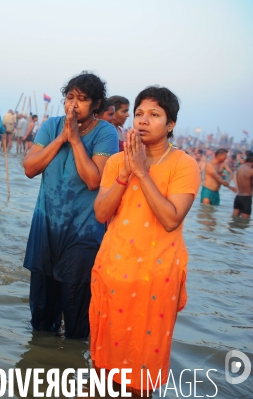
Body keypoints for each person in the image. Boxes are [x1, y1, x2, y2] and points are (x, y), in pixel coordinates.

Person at [90, 86, 201, 393]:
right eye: (139, 113)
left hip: (155, 279)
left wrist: (141, 172)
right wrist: (126, 172)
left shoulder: (184, 164)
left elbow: (170, 219)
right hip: (113, 271)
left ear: (170, 124)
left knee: (142, 372)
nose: (143, 120)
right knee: (103, 367)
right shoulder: (116, 162)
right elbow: (101, 213)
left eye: (154, 115)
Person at [22, 72, 118, 339]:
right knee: (41, 318)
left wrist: (75, 140)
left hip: (83, 233)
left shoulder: (105, 132)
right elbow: (30, 168)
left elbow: (93, 180)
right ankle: (42, 369)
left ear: (97, 104)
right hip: (46, 228)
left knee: (76, 318)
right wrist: (61, 138)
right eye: (70, 97)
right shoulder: (52, 126)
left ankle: (72, 369)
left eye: (83, 99)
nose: (73, 105)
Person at [233, 152, 253, 218]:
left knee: (234, 221)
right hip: (246, 198)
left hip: (238, 197)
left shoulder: (239, 169)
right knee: (245, 223)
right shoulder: (251, 171)